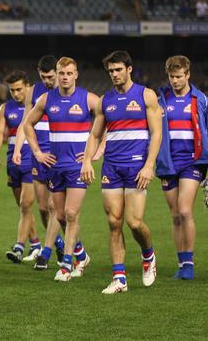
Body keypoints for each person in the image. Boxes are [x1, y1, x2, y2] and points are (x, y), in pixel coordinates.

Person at [81, 50, 161, 294]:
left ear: (129, 69)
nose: (114, 74)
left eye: (118, 70)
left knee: (134, 223)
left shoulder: (146, 95)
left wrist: (149, 165)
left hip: (137, 166)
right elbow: (95, 135)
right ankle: (119, 278)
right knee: (114, 222)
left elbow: (156, 133)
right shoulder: (105, 101)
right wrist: (86, 161)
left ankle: (148, 255)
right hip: (112, 167)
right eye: (111, 71)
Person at [24, 57, 96, 282]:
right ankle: (81, 254)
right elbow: (27, 124)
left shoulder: (88, 99)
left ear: (76, 75)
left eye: (69, 73)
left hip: (77, 167)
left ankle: (66, 264)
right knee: (61, 214)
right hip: (55, 166)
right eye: (61, 73)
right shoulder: (46, 99)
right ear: (56, 74)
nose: (64, 77)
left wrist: (94, 154)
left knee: (72, 213)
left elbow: (107, 121)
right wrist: (37, 152)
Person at [156, 55, 208, 280]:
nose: (175, 81)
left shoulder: (201, 100)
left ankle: (189, 264)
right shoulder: (161, 100)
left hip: (192, 161)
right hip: (168, 163)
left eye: (179, 76)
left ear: (188, 75)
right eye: (171, 77)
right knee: (176, 215)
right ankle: (181, 262)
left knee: (185, 210)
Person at [13, 55, 65, 268]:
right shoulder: (33, 92)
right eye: (43, 77)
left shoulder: (66, 89)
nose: (47, 81)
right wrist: (18, 149)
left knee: (56, 207)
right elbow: (26, 122)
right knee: (43, 208)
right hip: (37, 155)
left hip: (59, 155)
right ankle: (60, 243)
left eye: (50, 76)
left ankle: (48, 251)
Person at [0, 71, 38, 263]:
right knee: (22, 205)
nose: (16, 93)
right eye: (12, 90)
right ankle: (36, 245)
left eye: (19, 89)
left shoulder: (39, 105)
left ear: (28, 86)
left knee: (25, 204)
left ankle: (19, 246)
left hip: (32, 159)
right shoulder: (5, 108)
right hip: (13, 160)